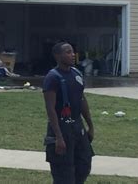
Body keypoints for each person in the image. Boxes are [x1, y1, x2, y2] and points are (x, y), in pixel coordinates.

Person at [43, 42, 95, 184]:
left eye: (73, 52)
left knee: (84, 165)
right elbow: (50, 109)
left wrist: (90, 125)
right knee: (64, 174)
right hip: (61, 128)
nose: (73, 55)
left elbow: (81, 99)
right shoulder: (52, 78)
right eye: (68, 52)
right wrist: (58, 137)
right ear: (57, 56)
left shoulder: (76, 74)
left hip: (78, 127)